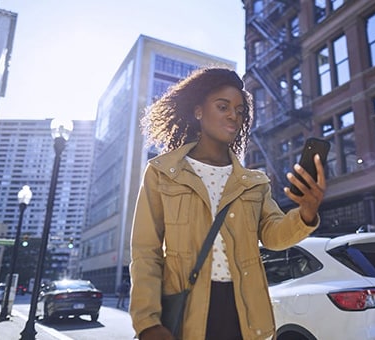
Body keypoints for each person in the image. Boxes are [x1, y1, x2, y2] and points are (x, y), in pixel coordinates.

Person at [129, 67, 326, 340]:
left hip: (243, 313)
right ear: (198, 111)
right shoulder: (163, 173)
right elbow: (145, 252)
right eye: (223, 107)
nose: (234, 115)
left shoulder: (254, 182)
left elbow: (273, 236)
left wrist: (305, 213)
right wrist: (147, 321)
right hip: (186, 310)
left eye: (240, 111)